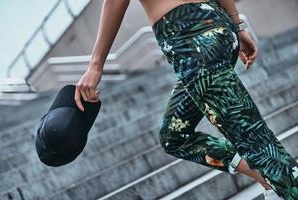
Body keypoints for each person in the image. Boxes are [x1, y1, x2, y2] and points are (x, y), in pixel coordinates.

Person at [74, 0, 298, 199]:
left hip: (190, 40)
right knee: (174, 136)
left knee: (256, 141)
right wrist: (237, 27)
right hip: (215, 27)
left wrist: (95, 66)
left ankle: (285, 186)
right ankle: (266, 179)